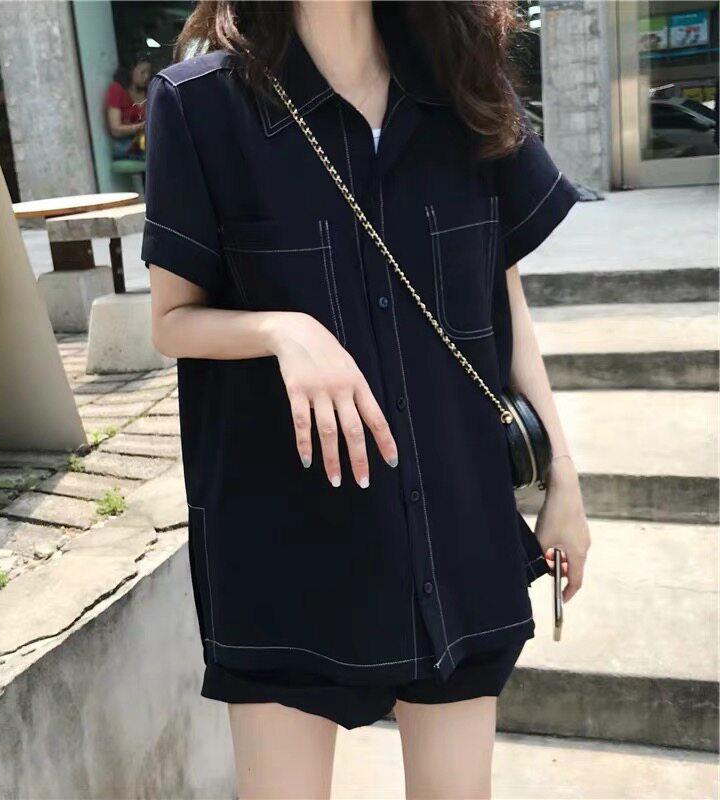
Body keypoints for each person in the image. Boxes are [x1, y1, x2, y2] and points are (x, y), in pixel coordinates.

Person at [142, 2, 591, 797]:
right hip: (287, 542)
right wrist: (283, 331)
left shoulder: (463, 85)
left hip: (457, 532)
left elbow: (503, 306)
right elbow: (172, 322)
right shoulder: (200, 105)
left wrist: (564, 478)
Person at [105, 55, 151, 160]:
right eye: (142, 72)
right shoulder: (117, 90)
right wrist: (141, 126)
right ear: (131, 71)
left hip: (144, 140)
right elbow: (115, 129)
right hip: (124, 144)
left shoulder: (148, 93)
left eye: (148, 72)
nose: (146, 76)